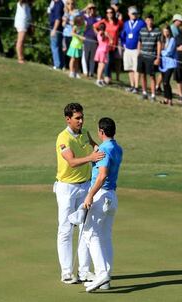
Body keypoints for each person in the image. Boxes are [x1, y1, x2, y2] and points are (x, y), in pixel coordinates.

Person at [54, 103, 105, 284]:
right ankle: (67, 272)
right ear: (68, 119)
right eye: (77, 118)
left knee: (85, 228)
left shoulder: (85, 133)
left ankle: (84, 271)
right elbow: (72, 162)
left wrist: (99, 150)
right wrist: (91, 158)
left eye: (82, 117)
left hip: (84, 187)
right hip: (67, 188)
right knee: (66, 229)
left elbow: (95, 146)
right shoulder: (63, 138)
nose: (81, 121)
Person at [82, 117, 123, 293]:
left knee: (90, 234)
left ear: (101, 132)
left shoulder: (105, 149)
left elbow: (102, 174)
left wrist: (90, 195)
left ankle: (101, 274)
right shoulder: (117, 147)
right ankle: (105, 278)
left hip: (101, 194)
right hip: (112, 196)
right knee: (105, 236)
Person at [94, 7, 123, 85]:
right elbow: (94, 26)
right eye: (107, 12)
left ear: (113, 13)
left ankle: (104, 78)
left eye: (111, 12)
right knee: (106, 62)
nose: (109, 14)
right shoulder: (104, 21)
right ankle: (105, 77)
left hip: (114, 46)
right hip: (105, 47)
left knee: (110, 62)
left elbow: (121, 29)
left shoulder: (118, 22)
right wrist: (99, 34)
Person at [121, 6, 146, 93]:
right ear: (128, 14)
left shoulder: (141, 23)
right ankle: (132, 85)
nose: (134, 15)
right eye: (132, 13)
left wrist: (141, 47)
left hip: (137, 49)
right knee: (130, 68)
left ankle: (136, 87)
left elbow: (144, 35)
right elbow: (123, 35)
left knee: (136, 68)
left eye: (135, 13)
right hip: (127, 49)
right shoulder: (126, 23)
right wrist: (123, 44)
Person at [137, 14, 161, 101]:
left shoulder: (157, 31)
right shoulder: (142, 30)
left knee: (152, 76)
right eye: (147, 20)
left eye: (151, 20)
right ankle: (144, 93)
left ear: (153, 21)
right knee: (142, 74)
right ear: (145, 21)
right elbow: (139, 41)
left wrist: (158, 57)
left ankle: (153, 95)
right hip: (142, 56)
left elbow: (159, 44)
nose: (149, 22)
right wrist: (138, 51)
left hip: (151, 56)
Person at [81, 3, 101, 77]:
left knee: (92, 57)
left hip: (94, 39)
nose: (92, 10)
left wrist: (92, 15)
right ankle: (85, 72)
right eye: (90, 8)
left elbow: (98, 25)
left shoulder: (98, 18)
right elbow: (79, 13)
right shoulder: (86, 16)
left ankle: (91, 72)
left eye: (93, 8)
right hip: (86, 38)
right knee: (85, 56)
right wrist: (86, 7)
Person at [158, 25, 177, 106]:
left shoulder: (172, 40)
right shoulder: (162, 40)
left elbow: (169, 52)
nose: (166, 33)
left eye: (167, 31)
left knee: (166, 81)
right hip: (163, 64)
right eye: (164, 31)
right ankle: (166, 99)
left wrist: (160, 52)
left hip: (170, 63)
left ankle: (170, 100)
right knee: (164, 82)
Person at [62, 0, 79, 69]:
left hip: (73, 35)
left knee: (72, 52)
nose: (70, 5)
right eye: (68, 4)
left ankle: (73, 68)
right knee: (65, 50)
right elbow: (63, 24)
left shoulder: (76, 13)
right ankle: (65, 66)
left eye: (72, 4)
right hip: (65, 34)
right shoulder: (66, 13)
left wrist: (68, 20)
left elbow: (75, 23)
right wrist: (66, 19)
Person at [94, 22, 112, 87]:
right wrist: (109, 38)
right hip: (104, 51)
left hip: (99, 50)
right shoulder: (105, 33)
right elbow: (111, 41)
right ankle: (98, 80)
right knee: (102, 66)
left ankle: (100, 79)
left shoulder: (98, 33)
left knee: (99, 66)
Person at [49, 0, 64, 70]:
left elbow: (58, 19)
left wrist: (54, 29)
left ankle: (57, 65)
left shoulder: (58, 4)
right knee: (58, 47)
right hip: (58, 29)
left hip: (56, 28)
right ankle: (61, 65)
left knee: (54, 46)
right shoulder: (56, 3)